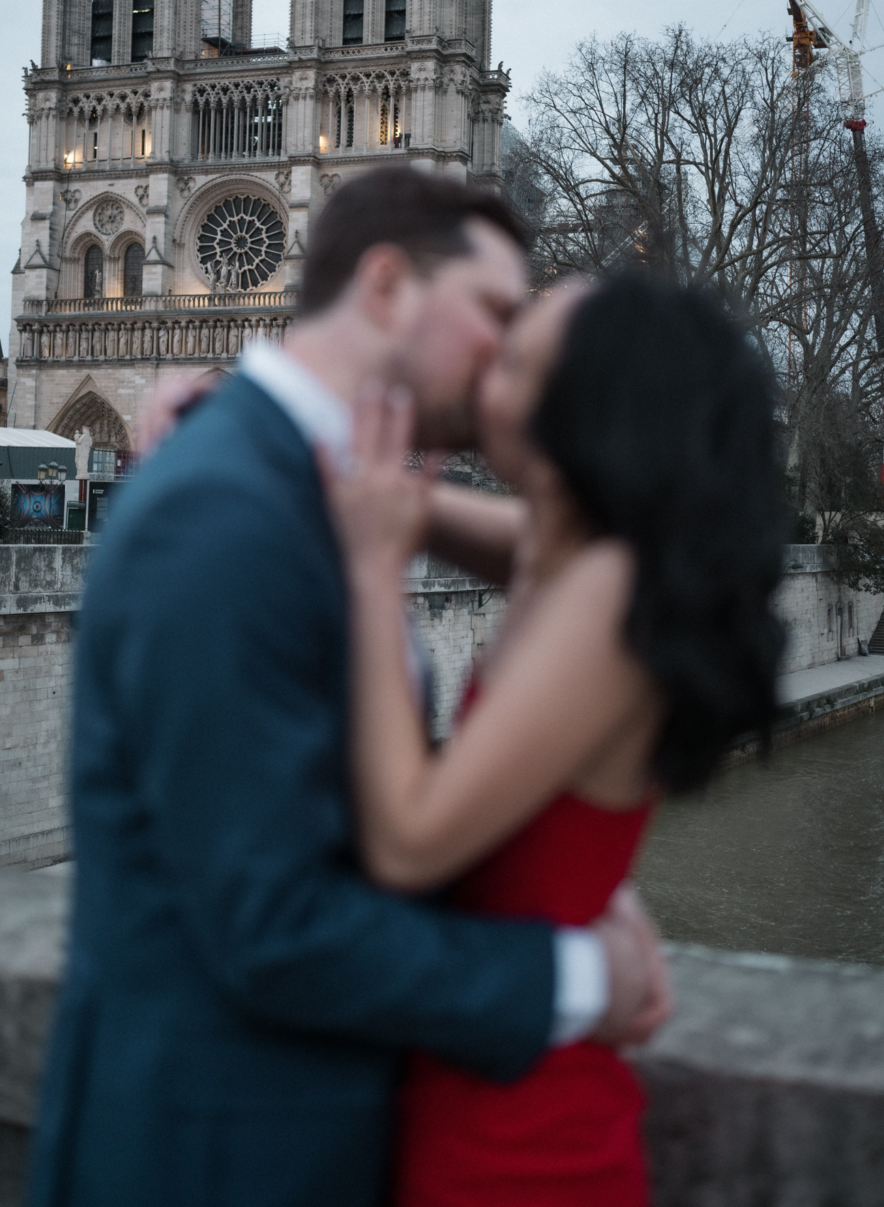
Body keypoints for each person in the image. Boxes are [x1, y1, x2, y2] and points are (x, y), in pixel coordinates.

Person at [27, 170, 669, 1207]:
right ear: (385, 289)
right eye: (496, 312)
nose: (509, 354)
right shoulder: (222, 512)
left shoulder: (307, 481)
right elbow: (275, 926)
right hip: (215, 1164)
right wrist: (580, 978)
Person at [320, 272, 785, 1206]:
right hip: (484, 1099)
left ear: (581, 412)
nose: (489, 359)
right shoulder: (568, 558)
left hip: (521, 1152)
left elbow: (411, 839)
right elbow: (456, 522)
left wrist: (375, 575)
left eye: (517, 358)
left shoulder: (611, 594)